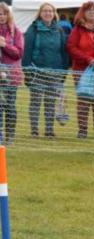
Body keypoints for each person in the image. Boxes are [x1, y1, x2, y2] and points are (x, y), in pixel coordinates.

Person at [22, 2, 69, 138]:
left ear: (54, 13)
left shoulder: (59, 30)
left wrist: (63, 72)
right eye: (45, 11)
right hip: (37, 72)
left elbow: (63, 52)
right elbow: (27, 52)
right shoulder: (33, 29)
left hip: (55, 72)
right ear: (40, 13)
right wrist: (28, 73)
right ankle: (34, 130)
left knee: (50, 103)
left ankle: (49, 130)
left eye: (50, 11)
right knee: (35, 102)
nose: (48, 13)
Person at [67, 1, 94, 139]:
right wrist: (88, 59)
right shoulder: (77, 29)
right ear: (84, 12)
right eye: (89, 10)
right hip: (81, 70)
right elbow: (71, 47)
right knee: (83, 100)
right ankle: (82, 130)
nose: (92, 12)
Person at [0, 2, 24, 145]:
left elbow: (19, 53)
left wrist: (5, 46)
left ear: (8, 15)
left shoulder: (16, 32)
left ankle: (10, 136)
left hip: (11, 75)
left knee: (10, 105)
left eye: (4, 13)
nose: (1, 16)